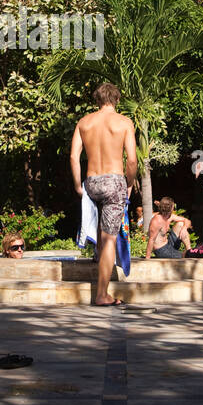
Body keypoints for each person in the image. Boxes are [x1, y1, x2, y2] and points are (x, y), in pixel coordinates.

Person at [70, 81, 138, 306]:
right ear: (117, 99)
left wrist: (79, 186)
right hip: (114, 180)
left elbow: (73, 157)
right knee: (109, 239)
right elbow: (132, 159)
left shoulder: (84, 122)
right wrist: (129, 182)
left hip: (91, 181)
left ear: (97, 100)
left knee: (101, 234)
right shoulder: (124, 122)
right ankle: (102, 294)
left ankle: (100, 283)